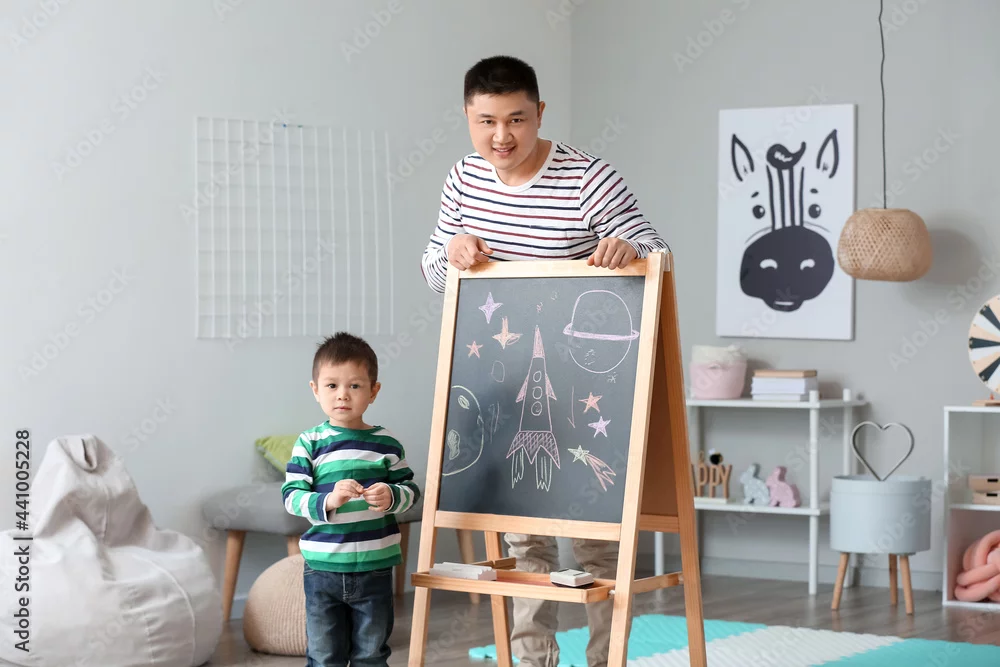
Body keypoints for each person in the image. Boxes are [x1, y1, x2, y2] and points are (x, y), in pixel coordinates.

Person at [419, 55, 669, 667]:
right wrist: (452, 251)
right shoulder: (464, 179)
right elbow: (434, 274)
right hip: (504, 383)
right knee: (522, 538)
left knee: (598, 541)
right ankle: (534, 662)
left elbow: (658, 252)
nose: (501, 136)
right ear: (467, 118)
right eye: (486, 122)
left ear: (540, 114)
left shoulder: (587, 178)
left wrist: (625, 248)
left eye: (516, 119)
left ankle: (607, 659)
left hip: (588, 385)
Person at [281, 331, 421, 667]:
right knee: (324, 655)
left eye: (355, 386)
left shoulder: (386, 443)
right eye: (332, 385)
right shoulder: (310, 442)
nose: (342, 394)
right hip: (322, 569)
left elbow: (412, 491)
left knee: (371, 654)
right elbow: (291, 496)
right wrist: (328, 500)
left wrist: (392, 496)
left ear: (373, 391)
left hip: (376, 567)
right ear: (316, 390)